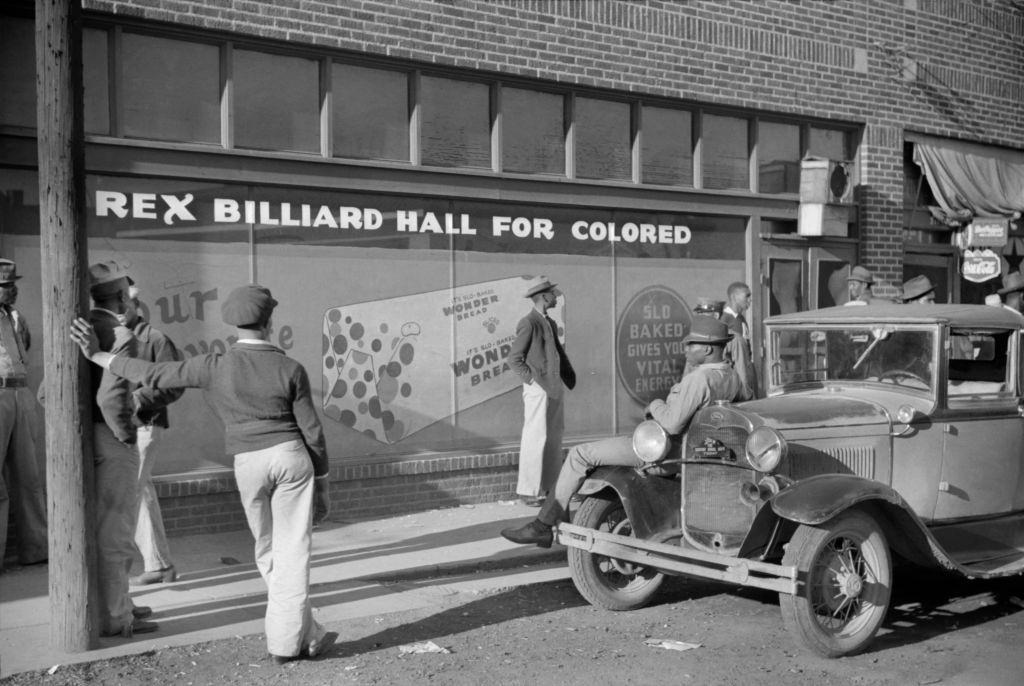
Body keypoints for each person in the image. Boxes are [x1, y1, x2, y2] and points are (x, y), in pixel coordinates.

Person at [71, 283, 334, 664]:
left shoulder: (212, 365)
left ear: (232, 323)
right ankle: (287, 641)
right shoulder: (291, 368)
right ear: (270, 321)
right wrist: (323, 484)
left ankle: (305, 632)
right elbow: (313, 432)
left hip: (248, 462)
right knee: (292, 551)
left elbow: (152, 373)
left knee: (266, 551)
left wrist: (97, 353)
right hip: (292, 458)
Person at [500, 316, 743, 548]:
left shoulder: (700, 380)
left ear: (709, 349)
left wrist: (655, 404)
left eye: (692, 344)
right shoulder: (732, 377)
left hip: (667, 453)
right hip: (695, 455)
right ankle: (557, 520)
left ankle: (543, 525)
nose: (686, 350)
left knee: (579, 454)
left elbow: (672, 424)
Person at [85, 260, 157, 637]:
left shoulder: (84, 327)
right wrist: (126, 435)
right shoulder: (119, 334)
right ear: (117, 296)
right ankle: (116, 617)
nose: (131, 300)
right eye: (127, 293)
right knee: (117, 533)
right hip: (112, 440)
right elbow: (112, 398)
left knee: (107, 529)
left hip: (92, 439)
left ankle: (120, 604)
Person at [124, 284, 185, 586]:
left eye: (126, 302)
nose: (120, 309)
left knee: (127, 497)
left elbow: (174, 385)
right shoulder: (112, 338)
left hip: (145, 426)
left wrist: (138, 399)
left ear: (137, 305)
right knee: (141, 492)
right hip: (122, 429)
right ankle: (160, 565)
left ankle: (124, 574)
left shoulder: (157, 339)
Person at [508, 278, 576, 508]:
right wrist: (532, 381)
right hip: (539, 389)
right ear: (544, 297)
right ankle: (528, 491)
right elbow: (514, 359)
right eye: (553, 294)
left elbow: (556, 354)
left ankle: (548, 489)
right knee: (535, 439)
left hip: (554, 387)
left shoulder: (550, 323)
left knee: (553, 439)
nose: (556, 296)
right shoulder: (528, 323)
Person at [0, 258, 48, 571]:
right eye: (5, 285)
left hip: (21, 392)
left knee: (29, 476)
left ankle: (36, 548)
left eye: (13, 283)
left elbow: (26, 349)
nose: (12, 289)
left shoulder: (16, 317)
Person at [692, 297, 753, 401]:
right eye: (698, 314)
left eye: (703, 314)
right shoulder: (696, 338)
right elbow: (689, 370)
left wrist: (745, 403)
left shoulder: (735, 340)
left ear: (716, 315)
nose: (699, 318)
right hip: (700, 397)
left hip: (724, 398)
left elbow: (743, 375)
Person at [720, 282, 758, 398]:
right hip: (736, 378)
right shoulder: (724, 320)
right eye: (747, 296)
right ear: (734, 297)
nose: (750, 300)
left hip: (746, 371)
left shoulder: (741, 318)